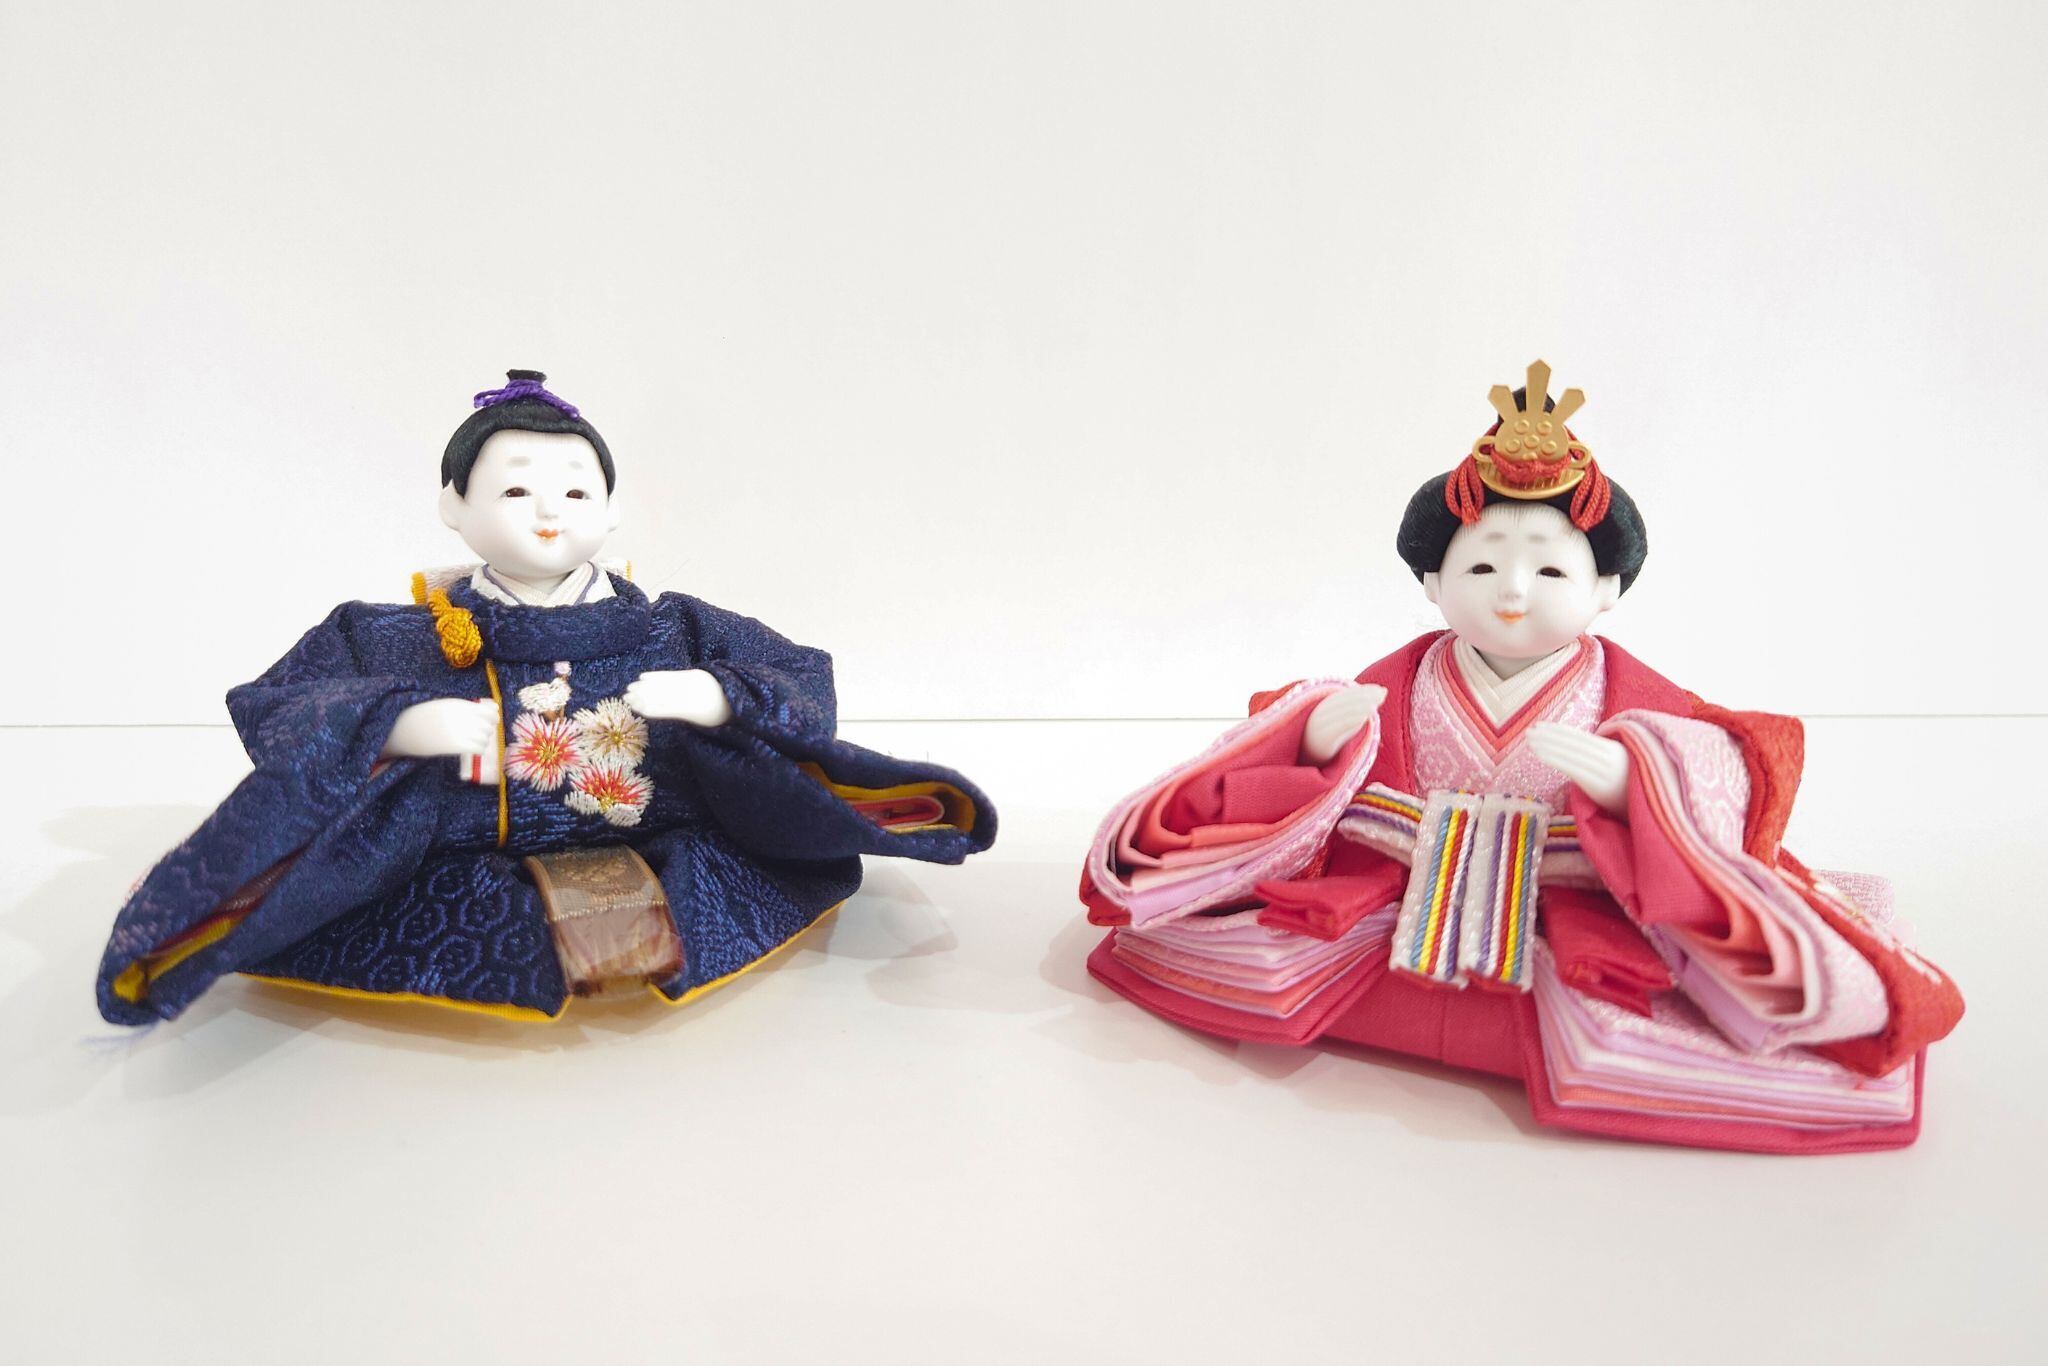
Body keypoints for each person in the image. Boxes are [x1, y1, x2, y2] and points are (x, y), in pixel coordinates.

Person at [1078, 361, 1962, 1153]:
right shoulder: (1398, 680)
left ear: (1606, 590)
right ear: (1433, 583)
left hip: (1566, 914)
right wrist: (1315, 743)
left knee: (1656, 1029)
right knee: (1241, 960)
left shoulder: (1635, 697)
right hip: (1392, 911)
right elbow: (1307, 772)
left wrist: (1639, 783)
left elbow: (1721, 761)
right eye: (1480, 569)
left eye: (1549, 573)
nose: (1510, 592)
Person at [98, 371, 995, 1024]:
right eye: (515, 488)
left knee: (743, 879)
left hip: (674, 849)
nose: (548, 511)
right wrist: (404, 722)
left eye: (575, 489)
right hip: (454, 868)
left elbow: (804, 675)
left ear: (611, 510)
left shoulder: (672, 625)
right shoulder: (395, 635)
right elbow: (278, 702)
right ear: (453, 506)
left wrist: (718, 695)